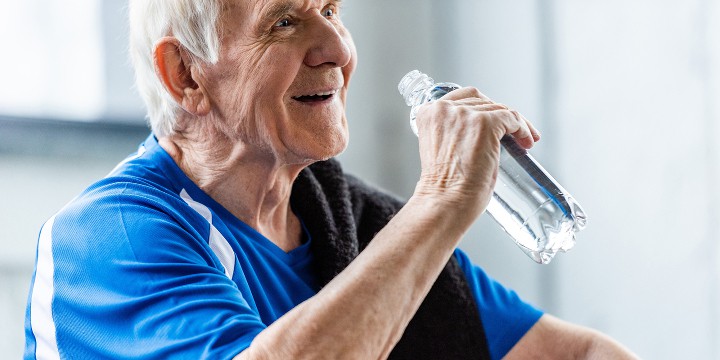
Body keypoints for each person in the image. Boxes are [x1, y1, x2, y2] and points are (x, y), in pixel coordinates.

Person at [24, 0, 638, 359]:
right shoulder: (107, 238)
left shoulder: (355, 224)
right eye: (285, 22)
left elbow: (581, 356)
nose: (338, 49)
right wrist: (443, 199)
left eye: (330, 9)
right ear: (186, 74)